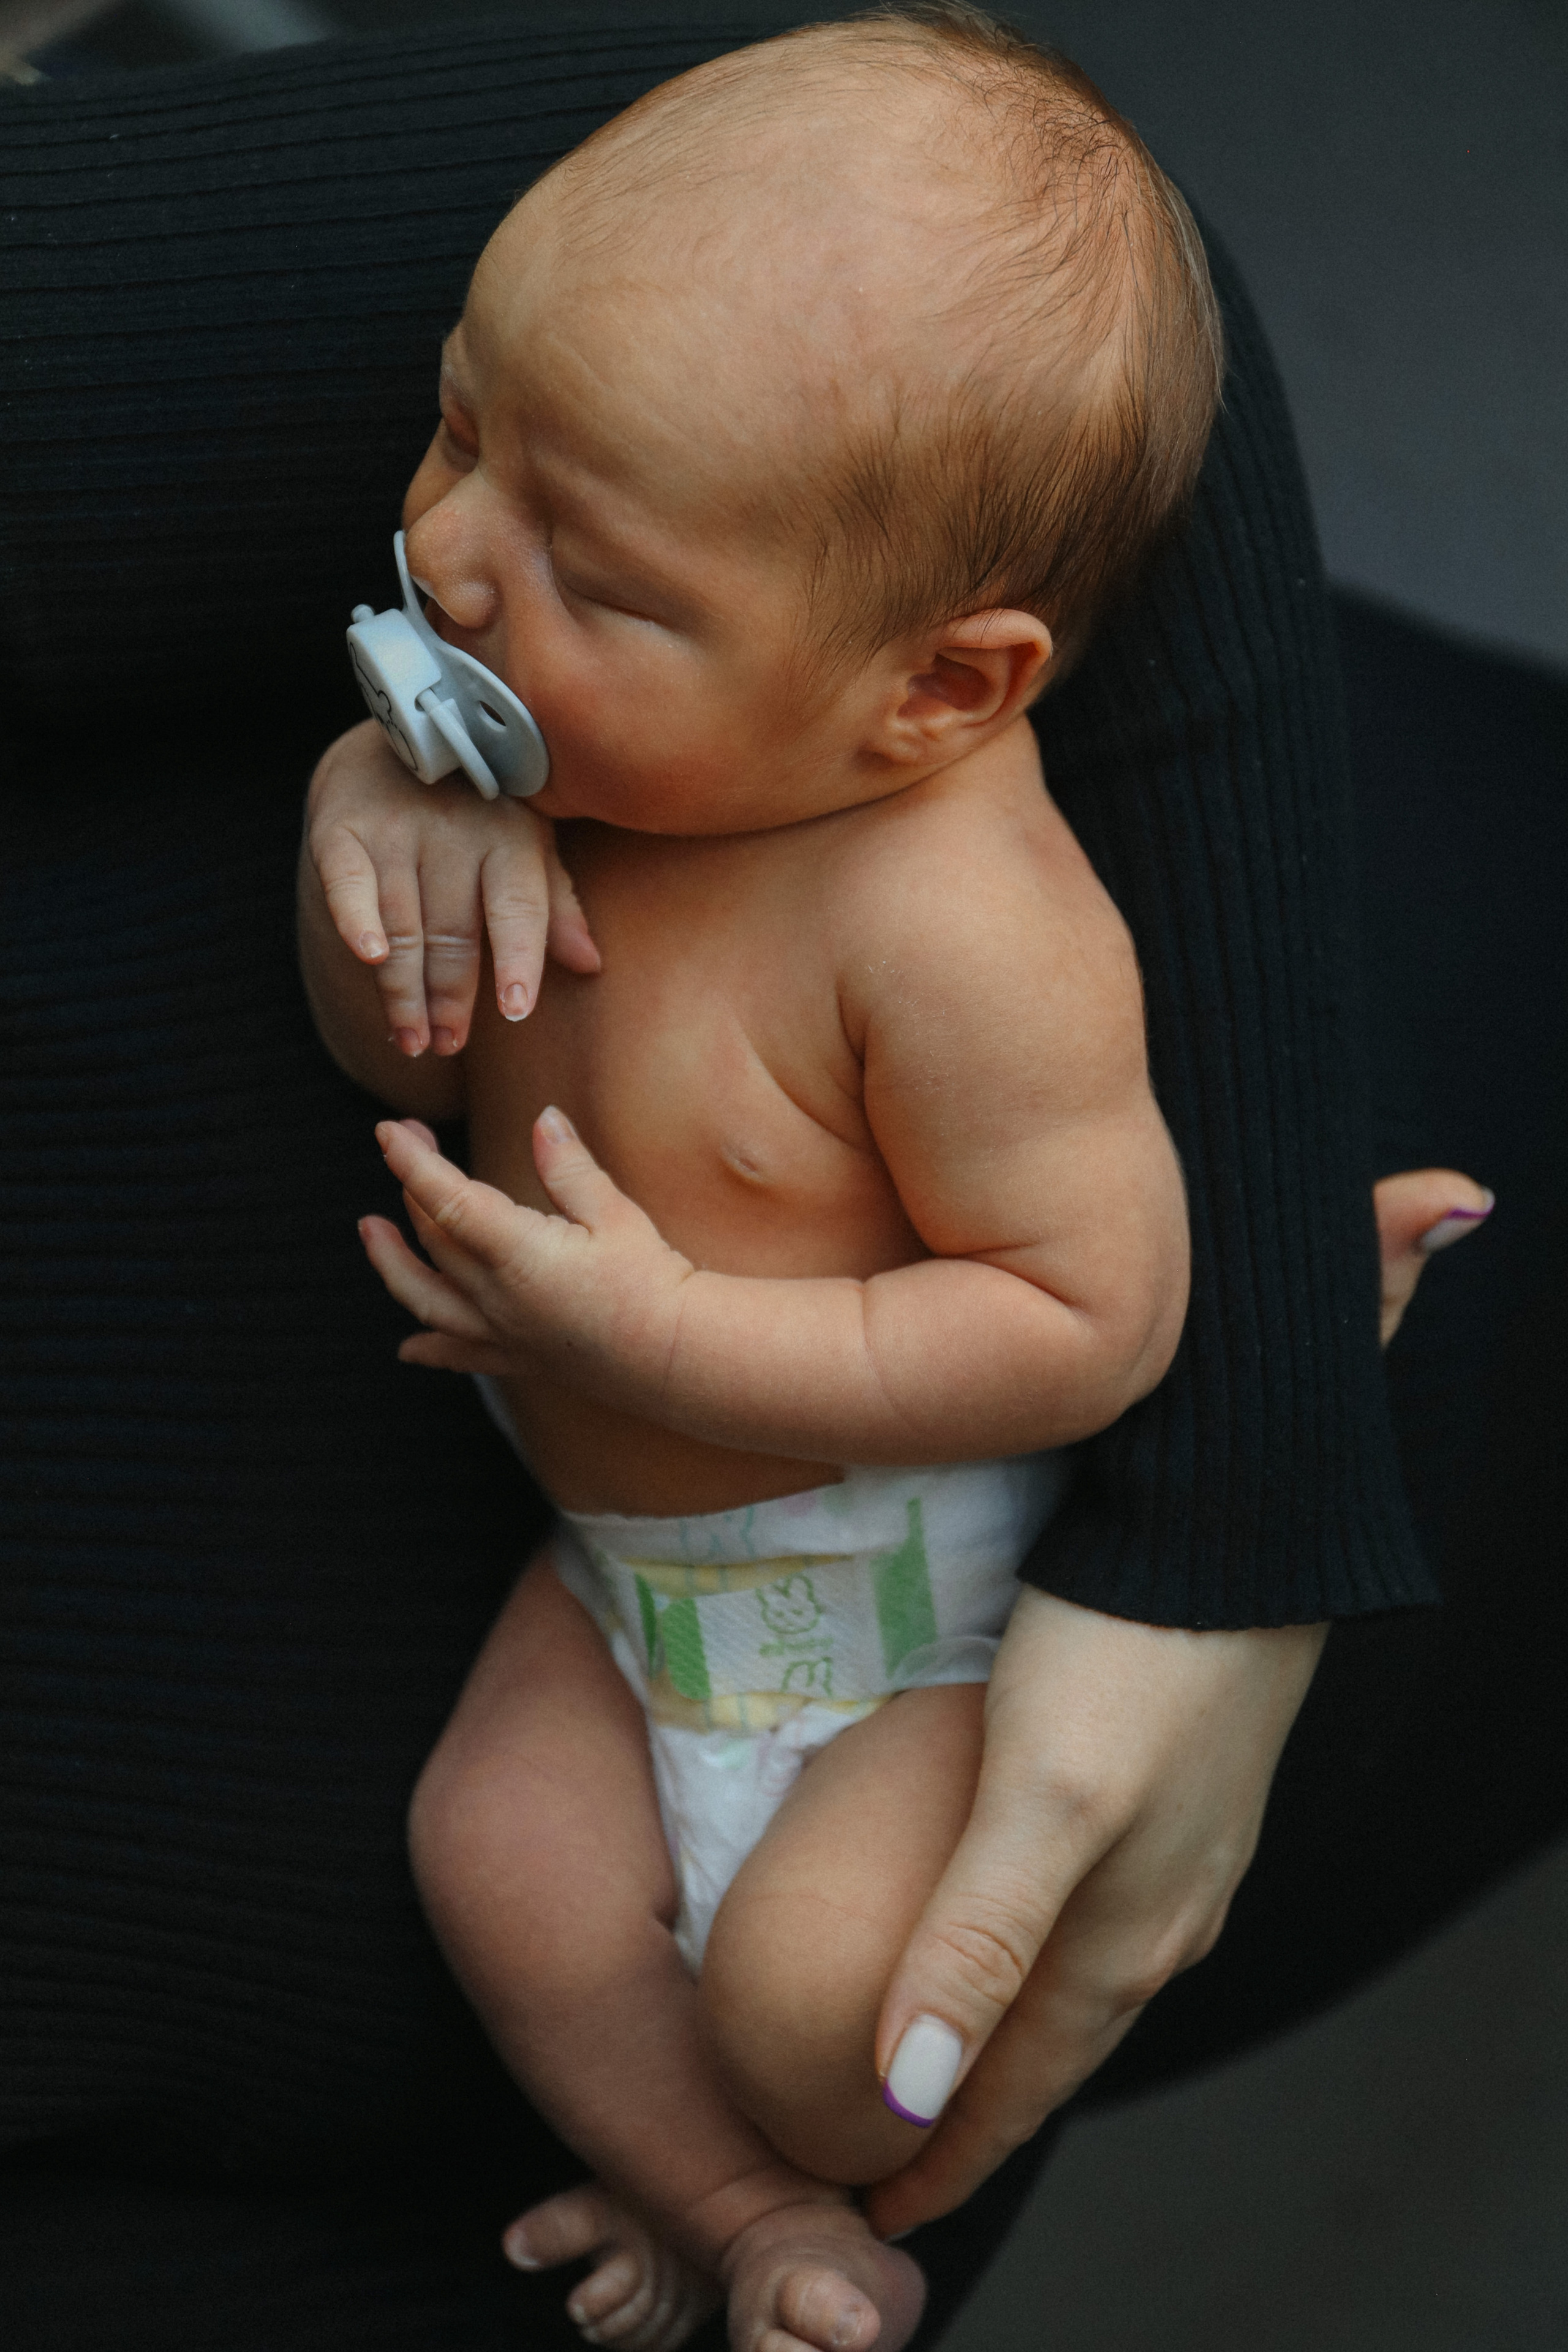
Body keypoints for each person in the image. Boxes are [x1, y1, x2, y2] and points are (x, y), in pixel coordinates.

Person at [0, 8, 1512, 2346]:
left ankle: (800, 2149)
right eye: (460, 427)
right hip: (621, 1580)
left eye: (599, 579)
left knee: (828, 2014)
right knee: (496, 1860)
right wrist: (357, 854)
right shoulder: (550, 763)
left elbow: (1079, 1318)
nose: (455, 565)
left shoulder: (961, 924)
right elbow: (376, 1039)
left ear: (936, 691)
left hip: (908, 1597)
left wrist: (660, 1337)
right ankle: (729, 2213)